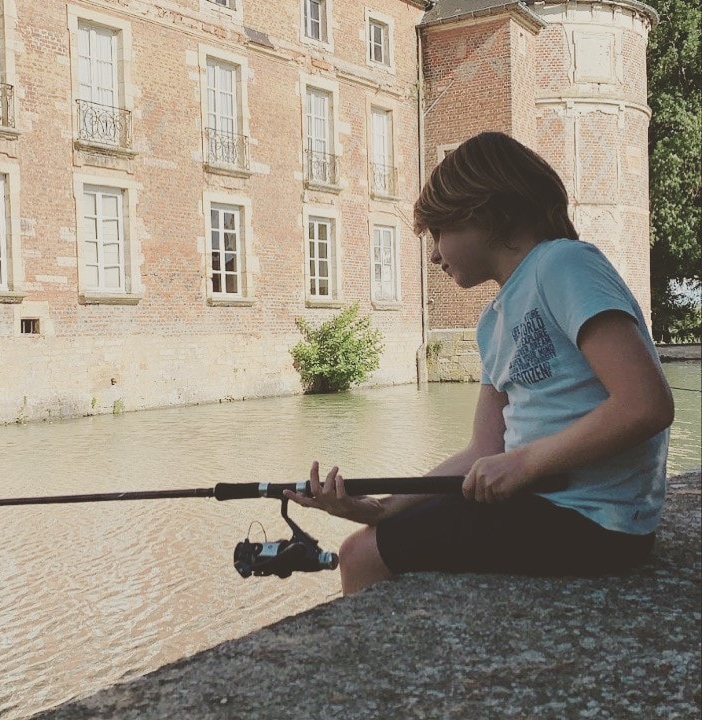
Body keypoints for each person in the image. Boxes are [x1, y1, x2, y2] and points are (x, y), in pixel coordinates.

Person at [284, 132, 674, 595]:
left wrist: (524, 464)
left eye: (439, 232)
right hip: (544, 509)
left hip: (592, 520)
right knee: (370, 538)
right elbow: (479, 452)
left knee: (359, 555)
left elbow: (645, 404)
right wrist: (383, 508)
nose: (433, 254)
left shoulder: (564, 264)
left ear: (487, 214)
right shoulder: (493, 321)